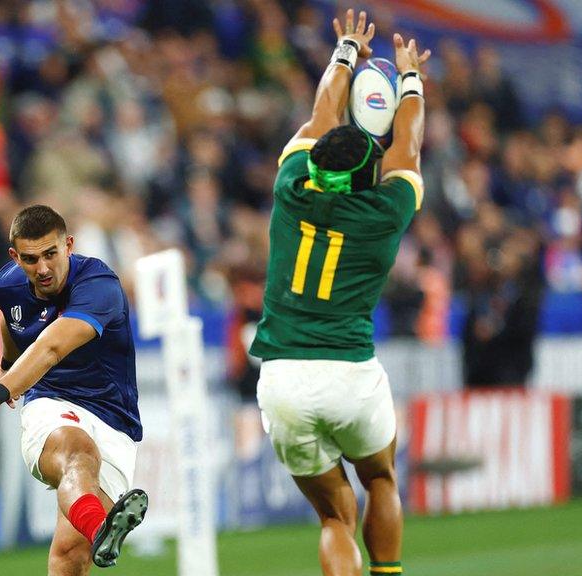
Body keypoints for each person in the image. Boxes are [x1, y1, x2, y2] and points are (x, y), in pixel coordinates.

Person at [249, 9, 430, 576]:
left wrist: (346, 50)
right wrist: (411, 79)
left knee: (334, 516)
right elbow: (410, 142)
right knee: (380, 479)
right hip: (350, 373)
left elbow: (322, 112)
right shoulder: (384, 212)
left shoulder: (291, 187)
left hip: (283, 379)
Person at [0, 205, 147, 573]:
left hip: (113, 419)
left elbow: (51, 346)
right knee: (76, 451)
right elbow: (12, 322)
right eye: (31, 259)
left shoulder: (99, 285)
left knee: (72, 552)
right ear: (14, 256)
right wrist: (8, 371)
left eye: (51, 254)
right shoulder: (7, 283)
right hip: (50, 402)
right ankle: (101, 526)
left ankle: (94, 529)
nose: (43, 268)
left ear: (68, 245)